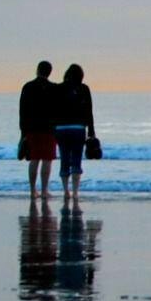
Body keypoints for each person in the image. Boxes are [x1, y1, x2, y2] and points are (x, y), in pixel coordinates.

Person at [52, 63, 97, 200]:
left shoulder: (58, 88)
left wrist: (53, 128)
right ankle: (76, 192)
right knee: (77, 159)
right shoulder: (84, 88)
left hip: (61, 128)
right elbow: (89, 111)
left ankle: (66, 191)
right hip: (78, 128)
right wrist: (91, 131)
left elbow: (52, 110)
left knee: (64, 158)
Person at [18, 60, 58, 193]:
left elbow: (22, 110)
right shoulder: (54, 88)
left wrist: (23, 132)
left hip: (32, 128)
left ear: (37, 70)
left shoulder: (28, 87)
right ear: (50, 72)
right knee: (47, 160)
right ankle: (45, 189)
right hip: (49, 129)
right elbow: (59, 110)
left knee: (34, 159)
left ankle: (32, 189)